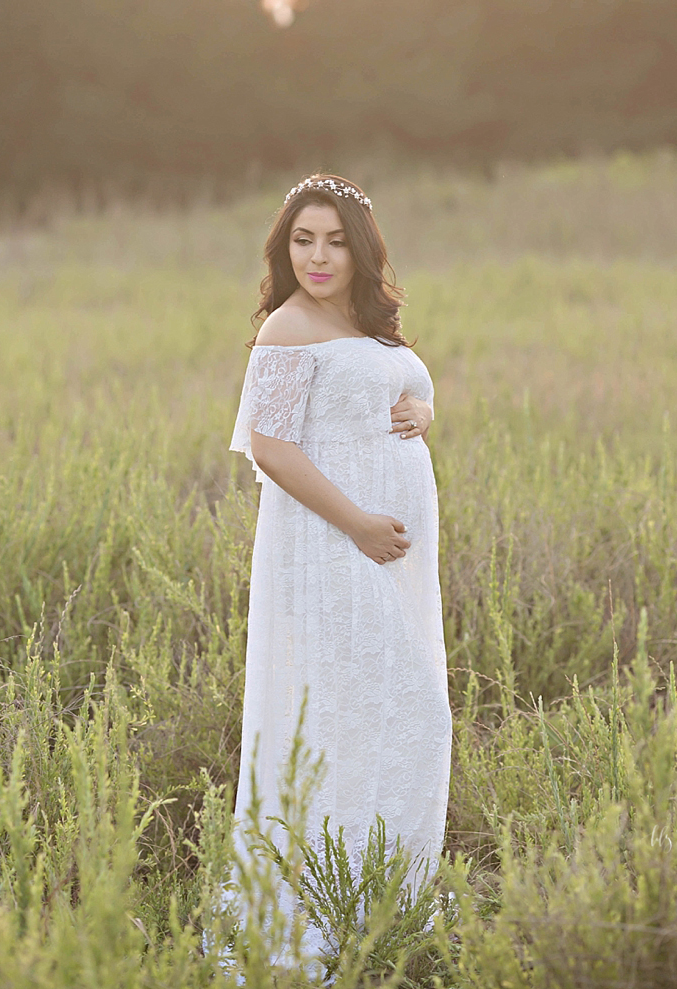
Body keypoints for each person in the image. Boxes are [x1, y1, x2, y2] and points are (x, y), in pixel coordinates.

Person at [227, 174, 452, 956]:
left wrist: (424, 410)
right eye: (302, 240)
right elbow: (270, 446)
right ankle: (326, 908)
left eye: (333, 240)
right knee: (394, 712)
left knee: (381, 714)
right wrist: (357, 523)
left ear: (360, 248)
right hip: (331, 548)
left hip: (389, 557)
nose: (318, 256)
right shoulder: (288, 326)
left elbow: (409, 388)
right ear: (284, 249)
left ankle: (384, 904)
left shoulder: (363, 318)